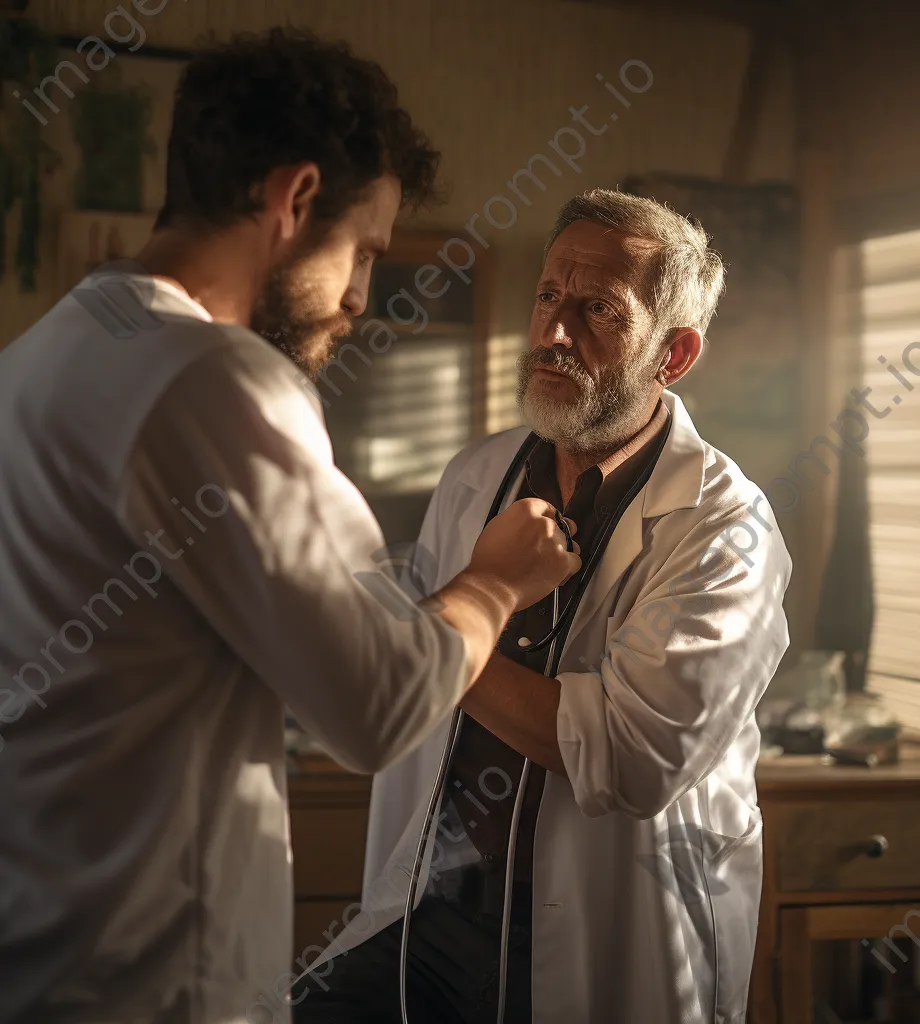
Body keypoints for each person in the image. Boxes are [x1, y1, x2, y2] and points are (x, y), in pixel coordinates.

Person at [0, 29, 579, 1024]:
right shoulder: (215, 378)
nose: (359, 297)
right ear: (292, 198)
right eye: (362, 252)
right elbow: (377, 699)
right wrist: (493, 582)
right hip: (156, 986)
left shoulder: (39, 359)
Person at [294, 189, 793, 1023]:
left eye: (599, 309)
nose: (556, 333)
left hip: (610, 926)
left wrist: (438, 634)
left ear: (673, 354)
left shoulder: (725, 527)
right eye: (549, 298)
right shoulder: (476, 477)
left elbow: (632, 756)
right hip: (438, 902)